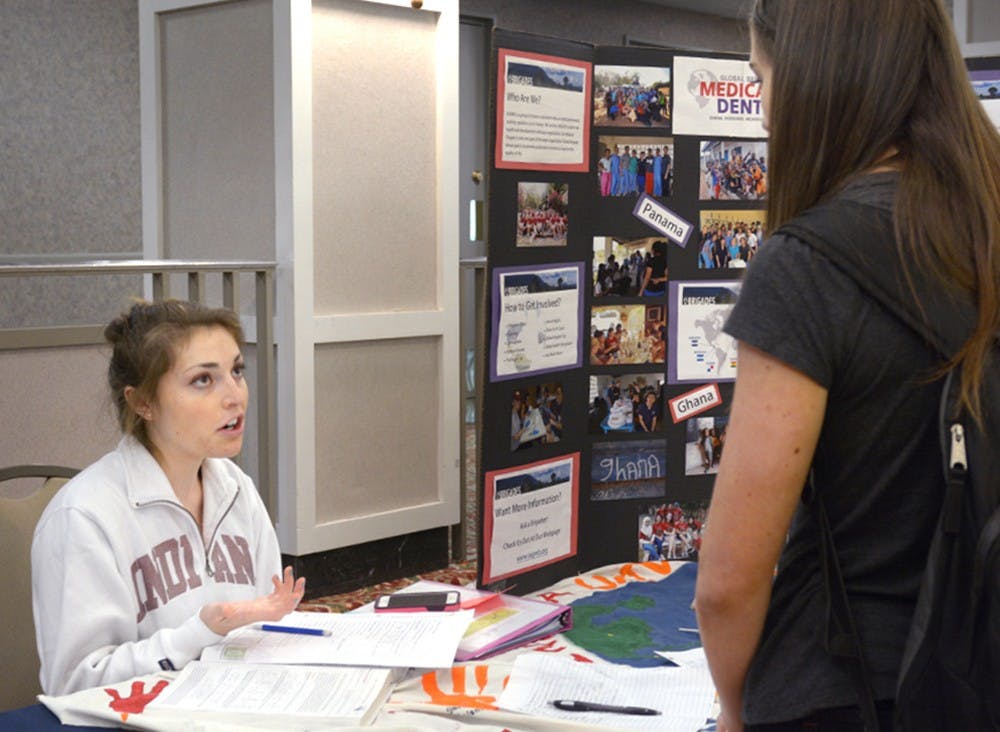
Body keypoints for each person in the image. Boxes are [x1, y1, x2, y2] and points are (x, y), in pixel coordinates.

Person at [694, 2, 1000, 731]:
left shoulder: (806, 267)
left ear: (814, 79)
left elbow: (728, 585)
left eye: (761, 78)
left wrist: (736, 714)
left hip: (842, 683)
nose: (763, 108)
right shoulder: (987, 235)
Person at [32, 300, 306, 696]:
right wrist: (198, 633)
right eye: (203, 380)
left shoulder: (236, 488)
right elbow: (75, 683)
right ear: (143, 402)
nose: (235, 396)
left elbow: (263, 626)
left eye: (236, 371)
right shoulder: (84, 516)